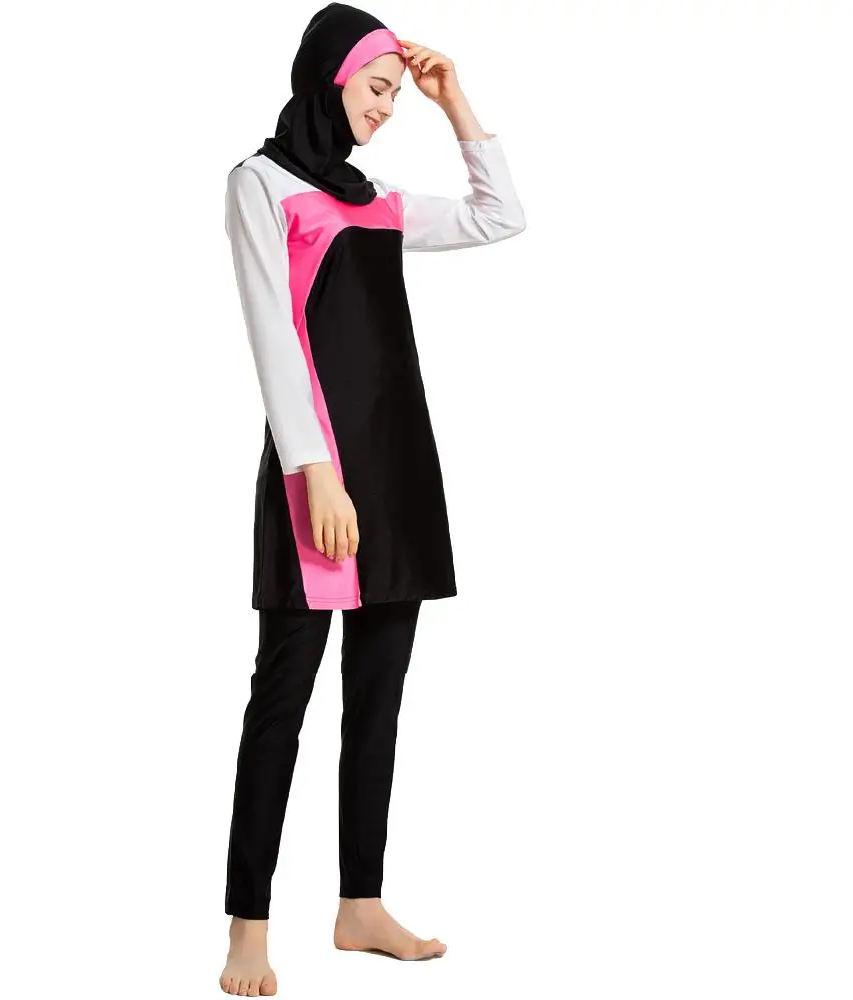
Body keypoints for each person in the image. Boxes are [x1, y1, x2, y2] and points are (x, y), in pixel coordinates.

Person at [220, 3, 526, 995]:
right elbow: (274, 331)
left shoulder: (378, 197)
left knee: (378, 702)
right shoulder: (262, 183)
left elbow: (500, 216)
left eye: (396, 91)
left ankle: (360, 904)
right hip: (318, 476)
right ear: (329, 76)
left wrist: (453, 99)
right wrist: (315, 469)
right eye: (378, 88)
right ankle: (248, 927)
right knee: (281, 702)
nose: (388, 107)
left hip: (396, 471)